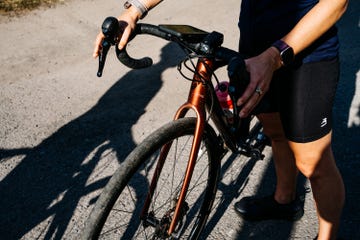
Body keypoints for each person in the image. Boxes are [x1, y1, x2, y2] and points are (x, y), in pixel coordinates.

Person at [93, 0, 348, 239]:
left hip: (308, 55)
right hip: (255, 51)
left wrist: (274, 57)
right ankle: (284, 200)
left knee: (313, 163)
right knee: (275, 131)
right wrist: (136, 9)